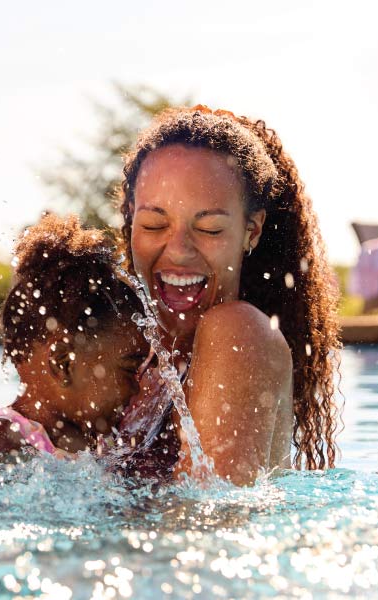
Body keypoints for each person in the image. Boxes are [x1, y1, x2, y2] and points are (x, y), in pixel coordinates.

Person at [117, 105, 341, 484]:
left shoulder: (238, 332)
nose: (178, 251)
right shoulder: (140, 356)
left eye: (209, 229)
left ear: (251, 231)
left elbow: (209, 523)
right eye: (155, 224)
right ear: (130, 219)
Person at [0, 214, 152, 495]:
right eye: (129, 369)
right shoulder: (3, 439)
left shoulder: (97, 439)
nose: (137, 387)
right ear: (63, 362)